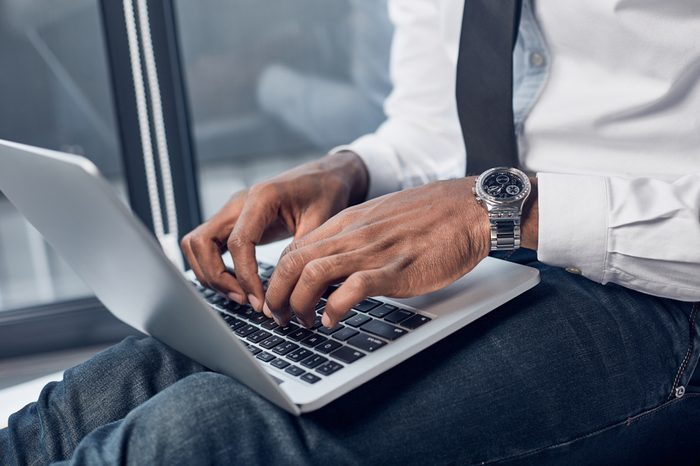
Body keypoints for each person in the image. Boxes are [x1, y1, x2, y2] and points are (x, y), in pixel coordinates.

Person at [2, 0, 700, 464]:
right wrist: (348, 170)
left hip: (665, 292)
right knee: (101, 392)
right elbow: (432, 126)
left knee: (198, 437)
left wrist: (497, 211)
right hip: (492, 256)